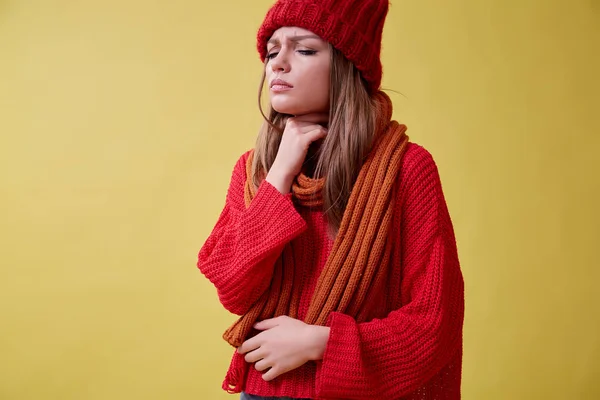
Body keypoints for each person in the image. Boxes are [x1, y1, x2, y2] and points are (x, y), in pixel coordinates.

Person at [197, 0, 465, 398]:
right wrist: (280, 175)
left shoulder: (407, 169)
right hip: (264, 392)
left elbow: (434, 319)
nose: (278, 65)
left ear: (347, 64)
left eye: (304, 49)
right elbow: (233, 289)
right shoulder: (255, 170)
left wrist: (319, 343)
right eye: (272, 52)